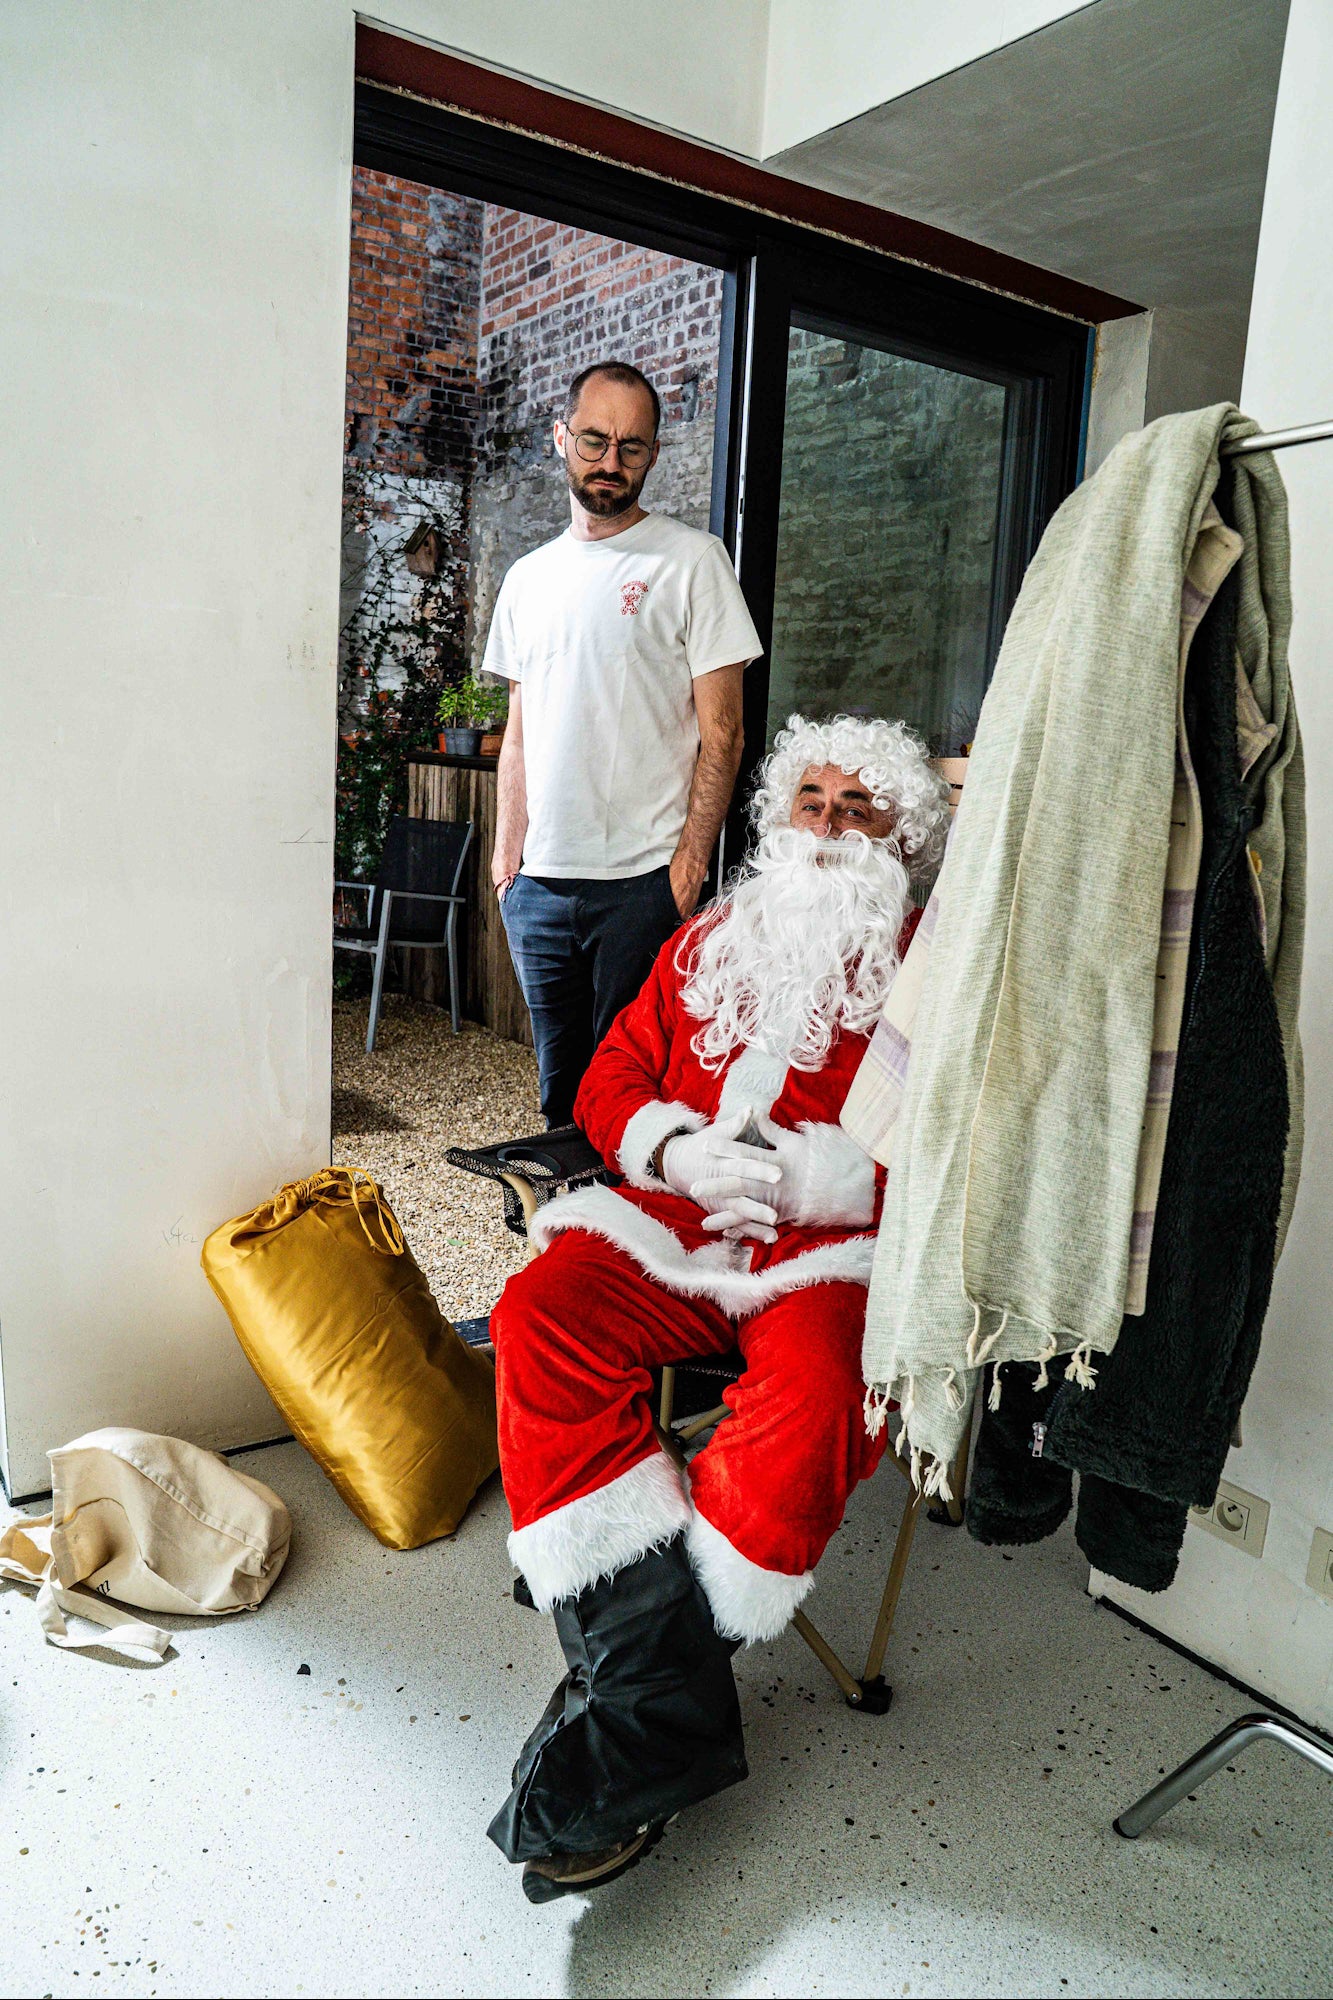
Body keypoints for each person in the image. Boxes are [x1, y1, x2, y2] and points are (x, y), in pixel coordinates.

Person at [486, 712, 950, 1901]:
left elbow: (975, 1148)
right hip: (675, 1221)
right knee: (540, 1312)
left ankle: (631, 1697)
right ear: (780, 816)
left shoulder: (938, 972)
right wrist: (672, 1147)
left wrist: (841, 1178)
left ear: (903, 839)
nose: (830, 825)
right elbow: (611, 1074)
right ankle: (649, 1702)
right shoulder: (707, 937)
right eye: (813, 801)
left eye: (860, 808)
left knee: (818, 1396)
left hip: (825, 1252)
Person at [482, 359, 762, 1127]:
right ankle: (562, 1189)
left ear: (653, 454)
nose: (611, 461)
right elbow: (518, 732)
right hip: (539, 883)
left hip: (642, 880)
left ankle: (616, 1197)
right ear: (560, 438)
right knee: (558, 1087)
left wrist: (689, 866)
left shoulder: (691, 560)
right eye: (594, 441)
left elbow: (724, 733)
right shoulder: (527, 578)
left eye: (631, 446)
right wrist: (506, 864)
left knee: (632, 1087)